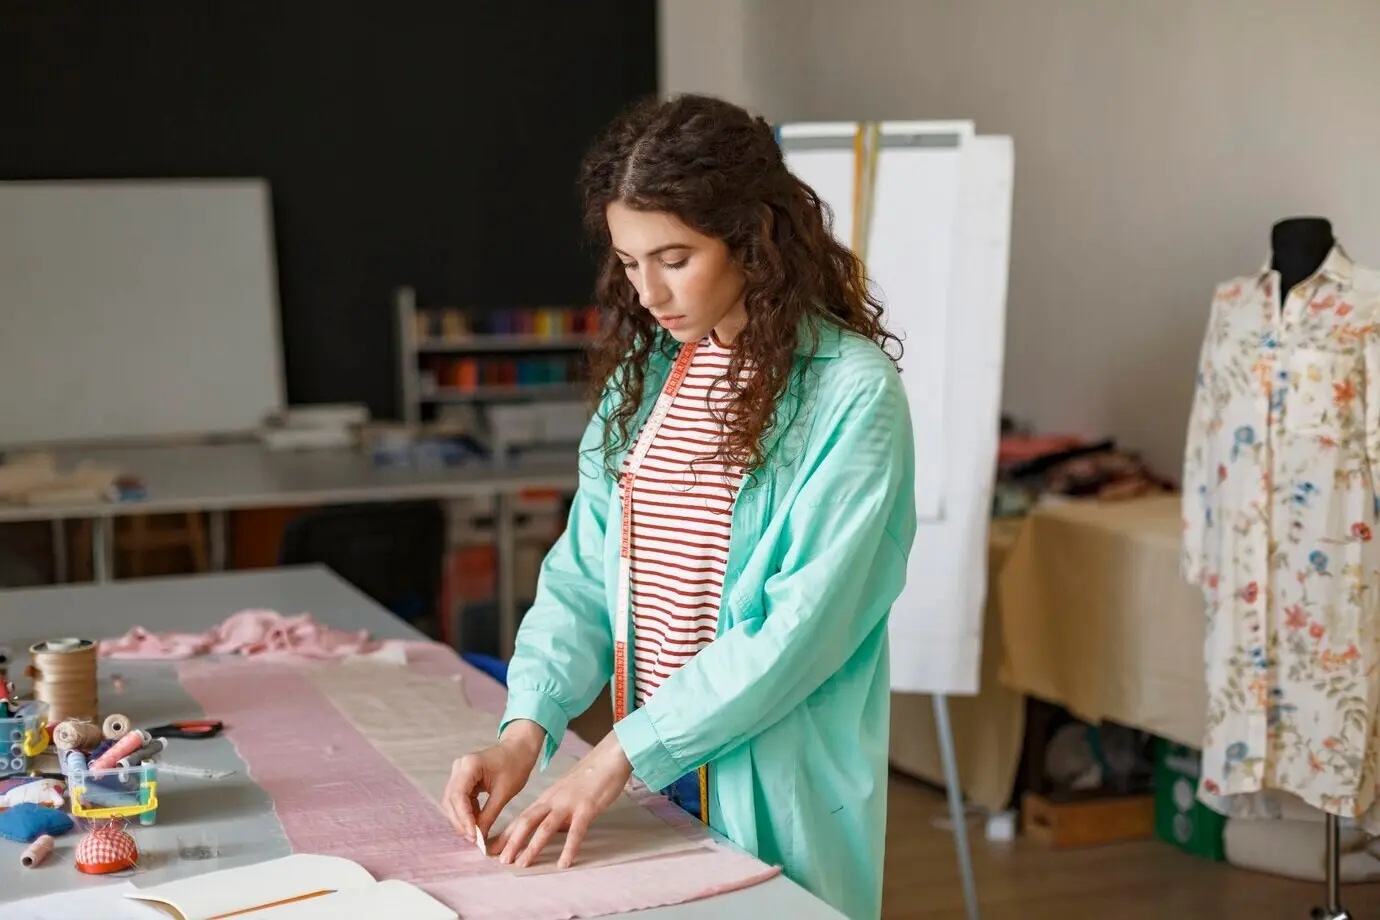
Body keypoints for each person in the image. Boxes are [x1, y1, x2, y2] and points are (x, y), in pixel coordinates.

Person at [442, 93, 917, 920]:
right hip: (658, 770)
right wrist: (527, 726)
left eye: (674, 257)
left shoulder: (851, 393)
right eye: (629, 262)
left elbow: (794, 634)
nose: (649, 290)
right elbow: (585, 573)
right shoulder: (649, 376)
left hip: (769, 779)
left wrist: (619, 755)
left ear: (753, 239)